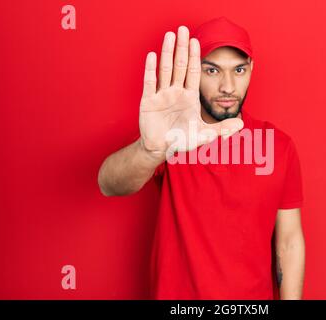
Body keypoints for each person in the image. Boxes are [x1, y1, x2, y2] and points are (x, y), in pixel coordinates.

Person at [98, 17, 305, 300]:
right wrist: (150, 151)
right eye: (212, 71)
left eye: (239, 70)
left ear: (251, 70)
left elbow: (289, 242)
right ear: (194, 72)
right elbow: (108, 184)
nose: (228, 87)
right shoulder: (172, 136)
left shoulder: (278, 146)